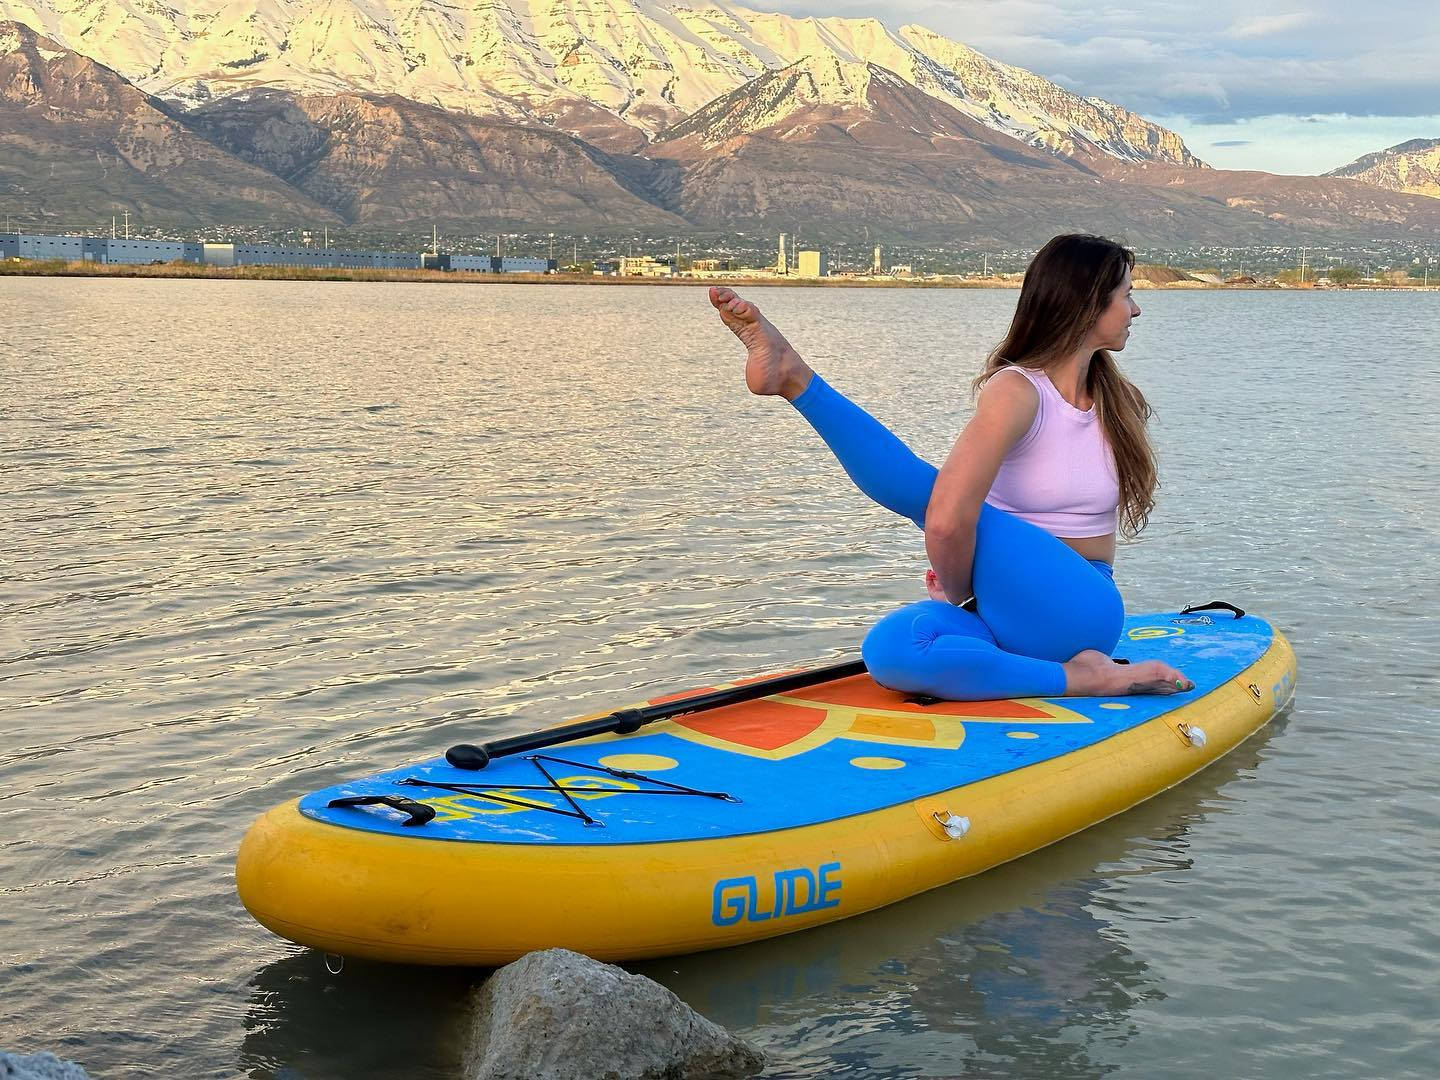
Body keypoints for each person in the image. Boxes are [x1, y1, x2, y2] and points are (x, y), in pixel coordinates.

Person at [709, 233, 1193, 701]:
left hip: (1081, 609)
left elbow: (946, 519)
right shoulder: (1018, 391)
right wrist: (972, 595)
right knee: (892, 650)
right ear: (1088, 305)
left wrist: (959, 593)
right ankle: (1070, 678)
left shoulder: (1118, 400)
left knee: (938, 499)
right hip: (1005, 614)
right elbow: (948, 520)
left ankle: (796, 379)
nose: (1135, 309)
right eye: (1126, 296)